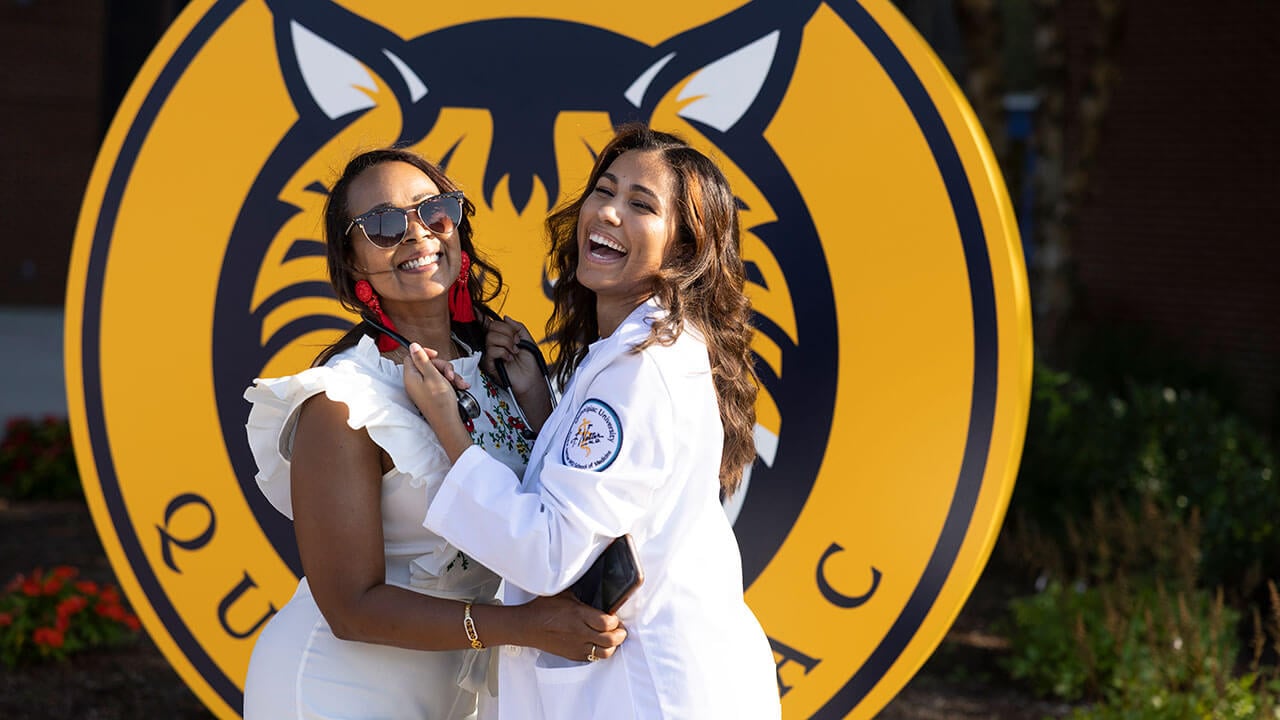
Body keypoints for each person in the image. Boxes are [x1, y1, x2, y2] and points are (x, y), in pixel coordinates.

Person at [403, 125, 783, 718]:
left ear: (684, 248)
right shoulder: (634, 351)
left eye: (640, 204)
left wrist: (452, 428)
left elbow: (549, 552)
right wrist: (538, 406)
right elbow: (595, 503)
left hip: (649, 691)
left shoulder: (640, 367)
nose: (606, 211)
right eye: (603, 191)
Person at [240, 147, 625, 720]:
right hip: (338, 691)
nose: (418, 235)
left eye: (435, 211)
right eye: (384, 224)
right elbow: (351, 608)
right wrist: (523, 627)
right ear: (352, 265)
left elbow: (544, 519)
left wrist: (538, 404)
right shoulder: (344, 402)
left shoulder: (502, 368)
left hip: (457, 691)